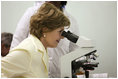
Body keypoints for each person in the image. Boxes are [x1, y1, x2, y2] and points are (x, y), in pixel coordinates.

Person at [10, 1, 80, 78]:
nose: (62, 37)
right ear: (45, 29)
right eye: (60, 32)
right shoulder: (32, 13)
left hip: (58, 74)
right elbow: (16, 42)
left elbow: (74, 51)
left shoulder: (72, 21)